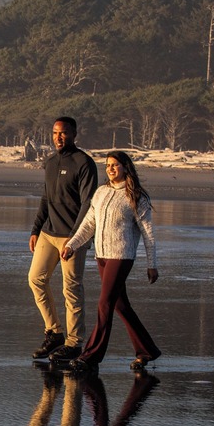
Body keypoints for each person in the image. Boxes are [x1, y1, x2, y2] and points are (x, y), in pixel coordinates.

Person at [60, 150, 160, 372]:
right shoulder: (101, 193)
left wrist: (152, 265)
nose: (111, 168)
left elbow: (148, 233)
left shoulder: (137, 197)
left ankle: (91, 355)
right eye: (108, 165)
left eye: (115, 165)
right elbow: (88, 224)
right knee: (120, 305)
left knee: (104, 303)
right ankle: (147, 350)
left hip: (122, 256)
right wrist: (71, 245)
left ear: (126, 167)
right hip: (102, 255)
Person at [29, 117, 98, 362]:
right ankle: (55, 332)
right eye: (55, 133)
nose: (59, 137)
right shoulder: (49, 162)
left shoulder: (84, 163)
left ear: (74, 134)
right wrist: (36, 229)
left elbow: (88, 204)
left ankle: (74, 343)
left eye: (64, 133)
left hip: (73, 237)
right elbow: (46, 199)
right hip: (49, 233)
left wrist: (75, 239)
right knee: (36, 280)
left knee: (71, 289)